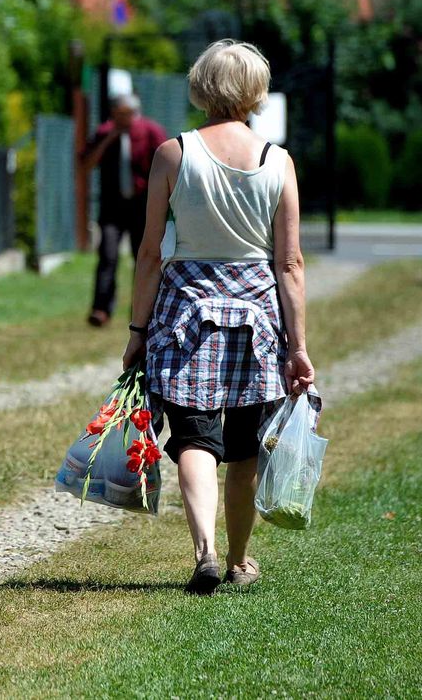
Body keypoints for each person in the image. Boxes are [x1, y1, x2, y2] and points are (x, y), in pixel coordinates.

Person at [122, 39, 315, 594]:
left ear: (201, 87)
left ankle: (203, 549)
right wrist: (297, 346)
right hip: (256, 318)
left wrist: (138, 330)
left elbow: (151, 252)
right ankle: (236, 559)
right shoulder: (278, 162)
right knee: (246, 447)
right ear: (255, 92)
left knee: (193, 439)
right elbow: (290, 262)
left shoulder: (173, 153)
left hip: (186, 311)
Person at [80, 94, 167, 327]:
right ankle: (101, 309)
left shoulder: (150, 131)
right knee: (107, 255)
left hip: (142, 207)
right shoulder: (104, 132)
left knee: (144, 258)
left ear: (135, 113)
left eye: (126, 115)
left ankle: (142, 311)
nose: (121, 120)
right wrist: (108, 139)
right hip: (112, 207)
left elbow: (168, 162)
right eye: (117, 115)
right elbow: (86, 164)